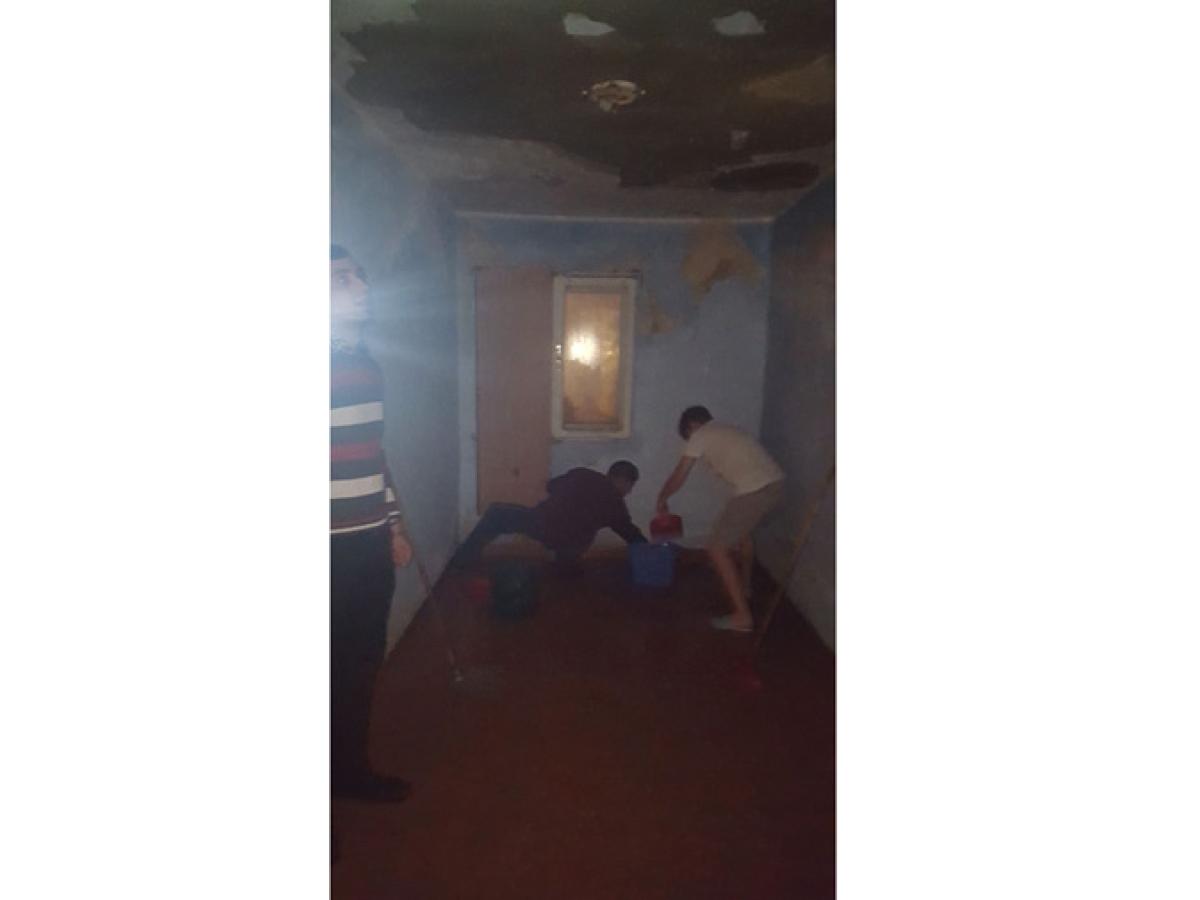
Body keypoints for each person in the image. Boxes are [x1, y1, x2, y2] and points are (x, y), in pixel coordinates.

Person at [330, 244, 414, 803]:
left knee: (360, 665)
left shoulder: (365, 366)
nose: (362, 287)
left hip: (367, 544)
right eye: (342, 279)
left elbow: (372, 455)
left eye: (360, 276)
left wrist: (393, 525)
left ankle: (349, 772)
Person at [656, 406, 785, 633]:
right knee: (743, 534)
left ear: (692, 427)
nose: (690, 440)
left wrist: (662, 498)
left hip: (754, 491)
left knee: (716, 549)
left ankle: (742, 617)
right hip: (775, 484)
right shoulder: (728, 429)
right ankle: (745, 587)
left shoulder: (700, 435)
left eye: (688, 435)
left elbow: (679, 475)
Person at [451, 461, 648, 570]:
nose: (629, 491)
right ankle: (565, 564)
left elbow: (551, 486)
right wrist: (652, 552)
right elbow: (631, 534)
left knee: (497, 512)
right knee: (569, 558)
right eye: (630, 486)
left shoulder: (581, 474)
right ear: (622, 481)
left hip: (542, 525)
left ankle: (463, 560)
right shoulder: (616, 505)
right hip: (572, 544)